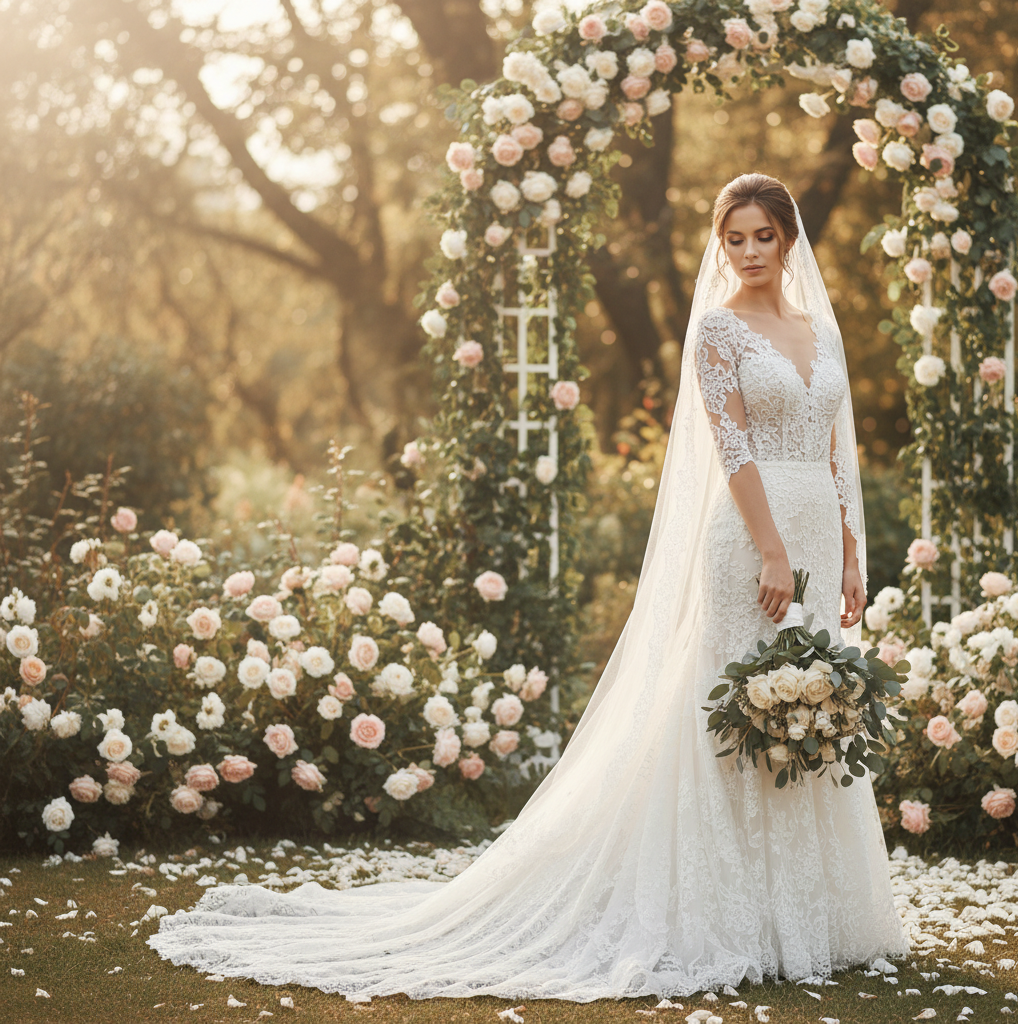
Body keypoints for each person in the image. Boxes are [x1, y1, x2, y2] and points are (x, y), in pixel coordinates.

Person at [148, 173, 909, 1000]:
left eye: (765, 236)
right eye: (736, 238)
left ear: (789, 240)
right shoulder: (717, 333)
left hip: (818, 537)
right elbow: (733, 449)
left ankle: (809, 914)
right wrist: (768, 550)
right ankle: (724, 911)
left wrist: (851, 552)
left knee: (812, 708)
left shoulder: (814, 331)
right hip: (749, 539)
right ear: (720, 244)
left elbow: (836, 454)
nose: (751, 251)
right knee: (737, 707)